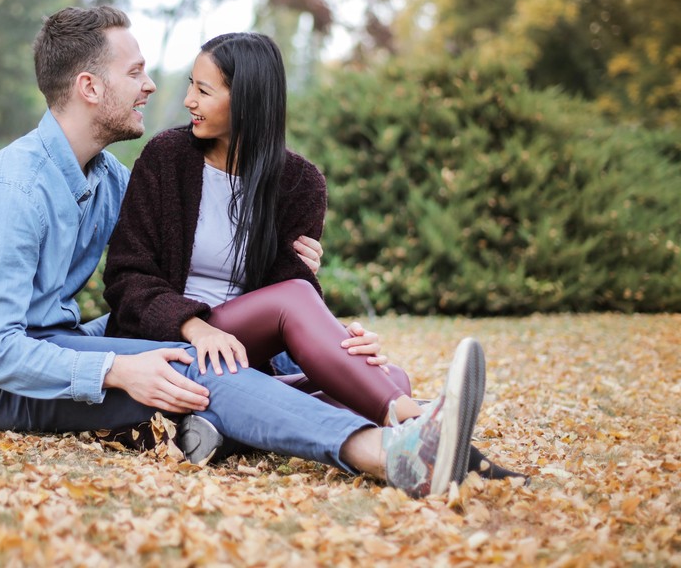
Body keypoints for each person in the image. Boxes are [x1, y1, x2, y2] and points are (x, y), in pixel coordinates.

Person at [0, 5, 484, 499]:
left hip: (65, 342)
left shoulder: (108, 179)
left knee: (211, 362)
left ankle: (288, 421)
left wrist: (316, 312)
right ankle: (390, 452)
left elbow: (168, 250)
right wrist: (115, 370)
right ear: (89, 86)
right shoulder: (14, 191)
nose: (153, 87)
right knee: (194, 362)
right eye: (134, 73)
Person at [103, 32, 521, 479]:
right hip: (168, 339)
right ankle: (415, 421)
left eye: (203, 91)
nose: (188, 100)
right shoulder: (167, 158)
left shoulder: (299, 183)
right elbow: (127, 276)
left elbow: (287, 292)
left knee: (387, 373)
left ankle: (218, 428)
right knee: (365, 372)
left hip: (243, 355)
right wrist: (197, 327)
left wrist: (342, 341)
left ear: (248, 99)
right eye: (192, 85)